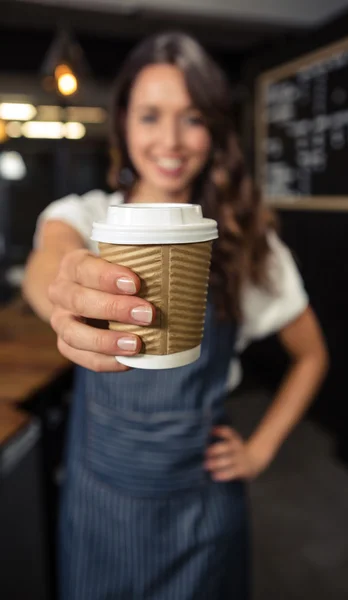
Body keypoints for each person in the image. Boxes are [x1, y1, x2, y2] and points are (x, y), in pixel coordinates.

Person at [23, 31, 328, 600]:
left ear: (214, 129)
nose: (171, 140)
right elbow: (52, 261)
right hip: (98, 496)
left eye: (192, 118)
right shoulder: (89, 219)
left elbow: (312, 354)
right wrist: (66, 289)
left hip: (199, 504)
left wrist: (259, 448)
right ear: (123, 126)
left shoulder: (244, 243)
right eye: (150, 116)